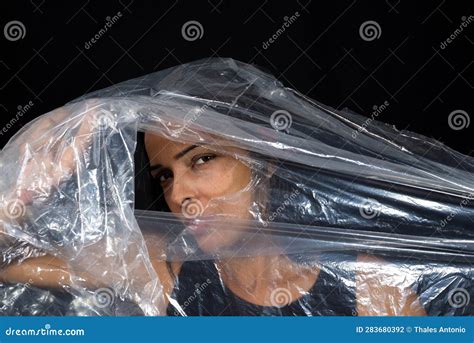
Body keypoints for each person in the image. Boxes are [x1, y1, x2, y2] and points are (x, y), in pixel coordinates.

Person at [0, 58, 472, 316]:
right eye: (165, 175)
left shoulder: (368, 285)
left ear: (260, 159)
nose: (179, 194)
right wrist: (21, 190)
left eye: (201, 160)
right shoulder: (159, 266)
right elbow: (7, 263)